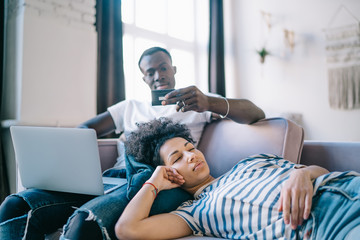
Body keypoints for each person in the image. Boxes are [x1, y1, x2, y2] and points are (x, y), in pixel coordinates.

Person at [0, 47, 265, 240]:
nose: (158, 75)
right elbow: (85, 130)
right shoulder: (129, 107)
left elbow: (256, 114)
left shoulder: (196, 102)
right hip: (114, 180)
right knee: (15, 205)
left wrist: (209, 101)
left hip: (163, 182)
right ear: (143, 78)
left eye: (163, 67)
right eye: (150, 72)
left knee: (87, 220)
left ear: (174, 69)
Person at [116, 118, 360, 240]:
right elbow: (127, 229)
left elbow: (322, 171)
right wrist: (154, 183)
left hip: (347, 187)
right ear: (169, 173)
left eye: (190, 147)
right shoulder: (193, 213)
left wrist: (302, 173)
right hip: (327, 228)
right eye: (177, 158)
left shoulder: (251, 161)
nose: (191, 156)